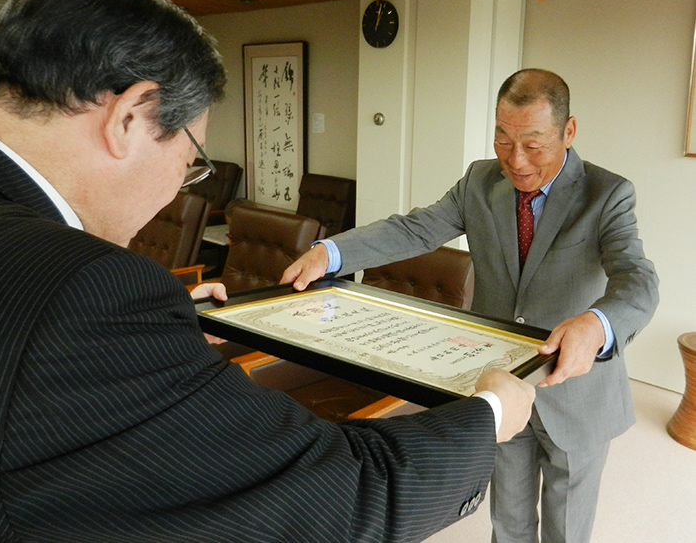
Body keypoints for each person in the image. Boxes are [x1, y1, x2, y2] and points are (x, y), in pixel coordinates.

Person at [0, 0, 535, 543]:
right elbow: (341, 499)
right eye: (188, 165)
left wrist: (157, 326)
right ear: (128, 118)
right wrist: (491, 415)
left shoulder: (76, 286)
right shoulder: (92, 286)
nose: (514, 156)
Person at [282, 68, 659, 543]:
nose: (515, 160)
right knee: (508, 514)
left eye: (533, 144)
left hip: (576, 390)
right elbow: (412, 229)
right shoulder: (480, 182)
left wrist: (596, 324)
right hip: (500, 377)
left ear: (569, 131)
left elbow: (638, 280)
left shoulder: (607, 194)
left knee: (568, 523)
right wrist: (330, 252)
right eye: (503, 139)